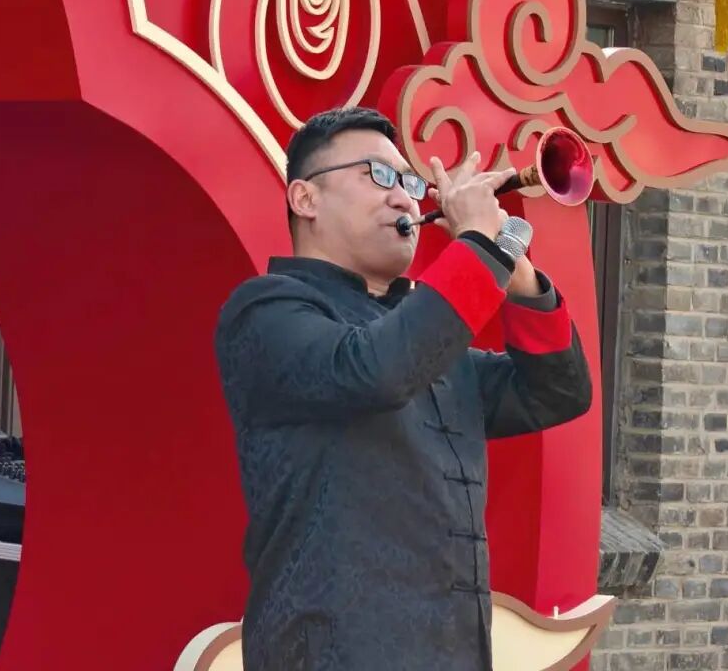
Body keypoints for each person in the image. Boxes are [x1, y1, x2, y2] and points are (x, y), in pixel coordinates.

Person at [213, 107, 592, 670]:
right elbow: (377, 369)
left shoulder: (426, 346)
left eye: (412, 185)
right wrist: (477, 249)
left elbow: (557, 392)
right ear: (305, 199)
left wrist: (520, 279)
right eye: (379, 175)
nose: (406, 200)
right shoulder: (265, 310)